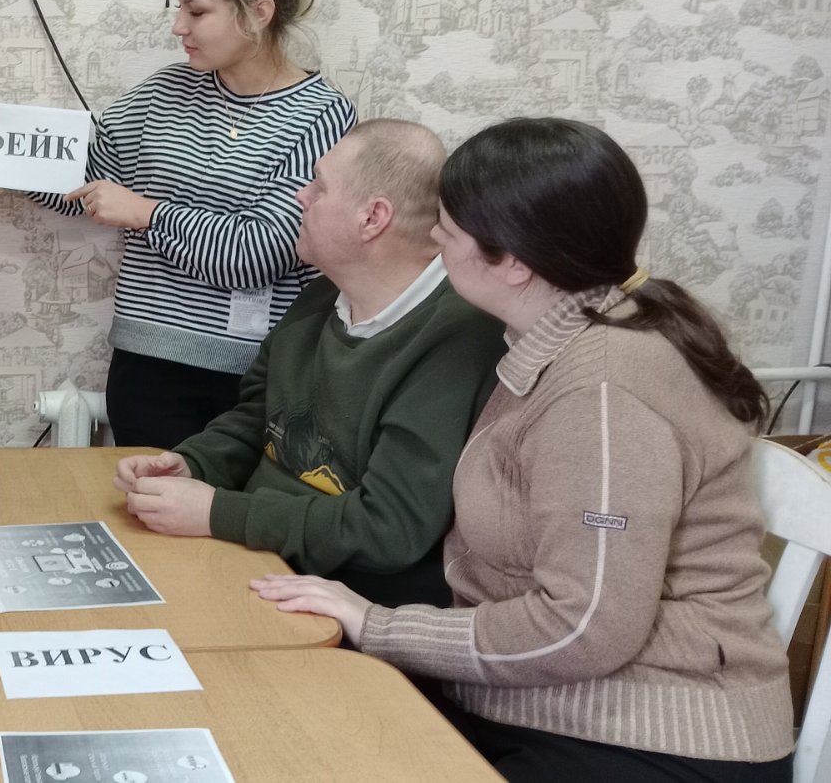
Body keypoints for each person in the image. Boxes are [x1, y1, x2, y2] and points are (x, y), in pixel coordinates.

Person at [253, 118, 795, 781]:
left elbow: (585, 627)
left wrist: (378, 625)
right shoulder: (558, 340)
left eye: (447, 233)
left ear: (512, 262)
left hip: (650, 733)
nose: (433, 242)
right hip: (539, 704)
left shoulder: (602, 391)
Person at [0, 0, 355, 447]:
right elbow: (84, 176)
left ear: (259, 13)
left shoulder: (321, 114)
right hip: (145, 370)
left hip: (252, 380)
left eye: (197, 11)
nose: (178, 27)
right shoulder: (164, 92)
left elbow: (257, 254)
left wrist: (145, 212)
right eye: (179, 7)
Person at [112, 119, 505, 609]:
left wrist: (218, 513)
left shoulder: (459, 338)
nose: (301, 196)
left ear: (372, 218)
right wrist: (191, 464)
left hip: (346, 605)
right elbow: (258, 421)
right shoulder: (321, 295)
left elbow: (390, 528)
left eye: (318, 185)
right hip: (256, 561)